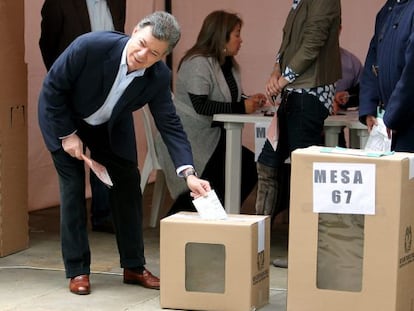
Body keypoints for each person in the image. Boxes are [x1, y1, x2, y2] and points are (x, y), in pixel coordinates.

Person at [37, 11, 211, 295]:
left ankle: (134, 266)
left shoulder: (158, 77)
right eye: (141, 43)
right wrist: (67, 135)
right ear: (133, 31)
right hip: (63, 118)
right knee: (72, 189)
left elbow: (170, 125)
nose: (142, 54)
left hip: (110, 125)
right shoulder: (90, 46)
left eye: (154, 52)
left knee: (129, 184)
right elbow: (53, 88)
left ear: (163, 56)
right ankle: (78, 270)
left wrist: (188, 173)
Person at [255, 0, 342, 268]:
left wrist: (282, 79)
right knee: (267, 165)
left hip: (310, 94)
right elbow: (287, 41)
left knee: (305, 174)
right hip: (293, 95)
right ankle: (256, 245)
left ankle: (305, 252)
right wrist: (275, 71)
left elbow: (312, 42)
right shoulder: (300, 1)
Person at [156, 10, 265, 214]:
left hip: (213, 136)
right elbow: (202, 105)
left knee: (248, 166)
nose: (241, 41)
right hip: (190, 136)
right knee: (240, 167)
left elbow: (226, 98)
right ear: (221, 36)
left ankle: (215, 214)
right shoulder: (198, 62)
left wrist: (249, 101)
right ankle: (188, 214)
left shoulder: (228, 64)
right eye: (237, 34)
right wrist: (242, 107)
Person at [39, 0, 127, 233]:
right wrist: (64, 79)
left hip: (105, 94)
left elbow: (120, 40)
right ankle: (75, 234)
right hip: (70, 93)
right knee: (72, 170)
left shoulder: (118, 2)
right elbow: (47, 45)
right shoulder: (58, 4)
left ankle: (104, 215)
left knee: (105, 156)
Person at [359, 0, 414, 153]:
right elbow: (373, 60)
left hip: (405, 118)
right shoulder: (386, 11)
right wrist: (368, 108)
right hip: (390, 123)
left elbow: (411, 74)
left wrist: (394, 116)